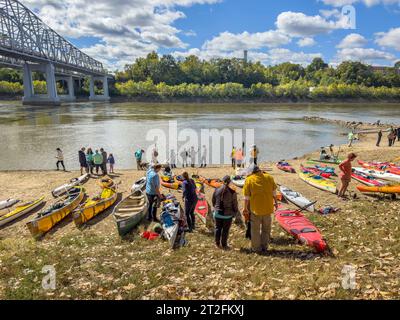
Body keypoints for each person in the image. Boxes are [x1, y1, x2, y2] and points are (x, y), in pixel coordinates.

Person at [243, 164, 278, 253]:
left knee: (255, 230)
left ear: (251, 172)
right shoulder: (269, 177)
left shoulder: (249, 180)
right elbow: (274, 193)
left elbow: (247, 197)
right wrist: (276, 202)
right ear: (259, 170)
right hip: (268, 209)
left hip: (255, 210)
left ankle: (256, 248)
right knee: (266, 229)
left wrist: (245, 208)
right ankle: (264, 246)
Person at [212, 176, 238, 250]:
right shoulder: (232, 192)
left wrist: (215, 208)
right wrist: (235, 212)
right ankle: (224, 244)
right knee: (225, 230)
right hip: (227, 215)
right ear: (229, 182)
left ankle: (217, 243)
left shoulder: (217, 189)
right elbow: (235, 204)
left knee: (217, 228)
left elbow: (213, 200)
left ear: (222, 181)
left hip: (217, 213)